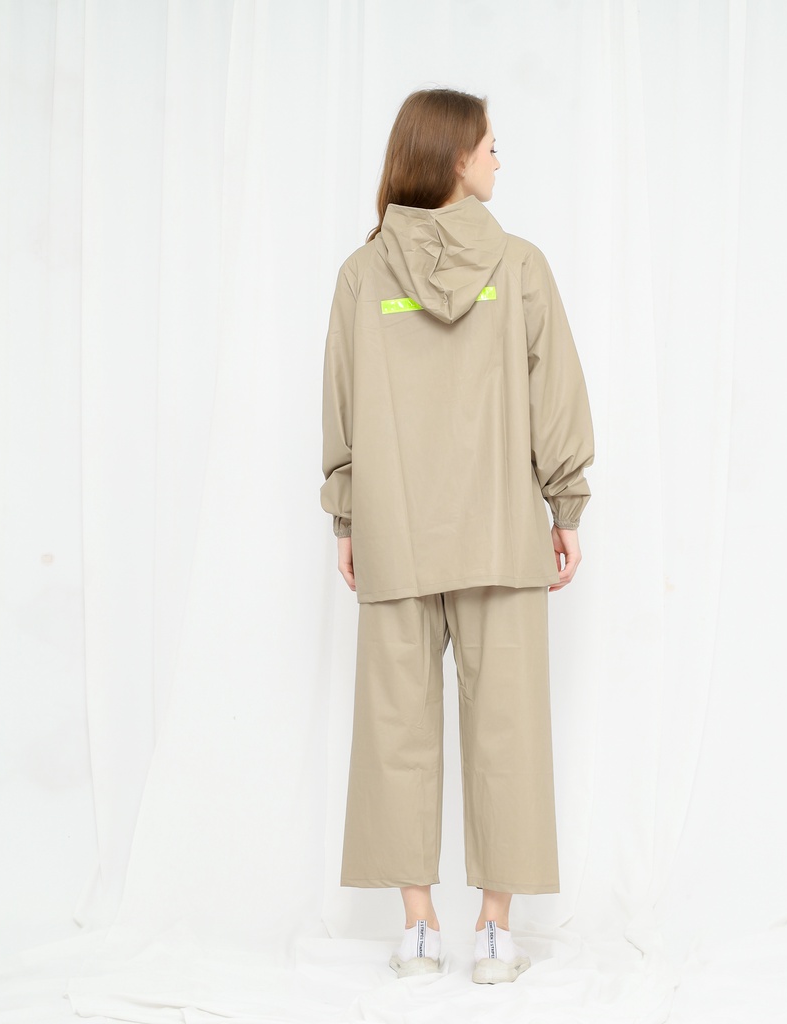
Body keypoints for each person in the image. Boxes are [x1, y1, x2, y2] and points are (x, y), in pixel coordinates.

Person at [320, 88, 594, 985]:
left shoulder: (362, 276)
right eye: (490, 147)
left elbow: (342, 406)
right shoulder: (518, 266)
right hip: (502, 532)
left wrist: (348, 515)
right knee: (507, 730)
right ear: (454, 158)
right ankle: (496, 933)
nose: (498, 161)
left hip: (395, 530)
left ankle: (418, 928)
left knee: (395, 729)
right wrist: (565, 506)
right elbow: (556, 396)